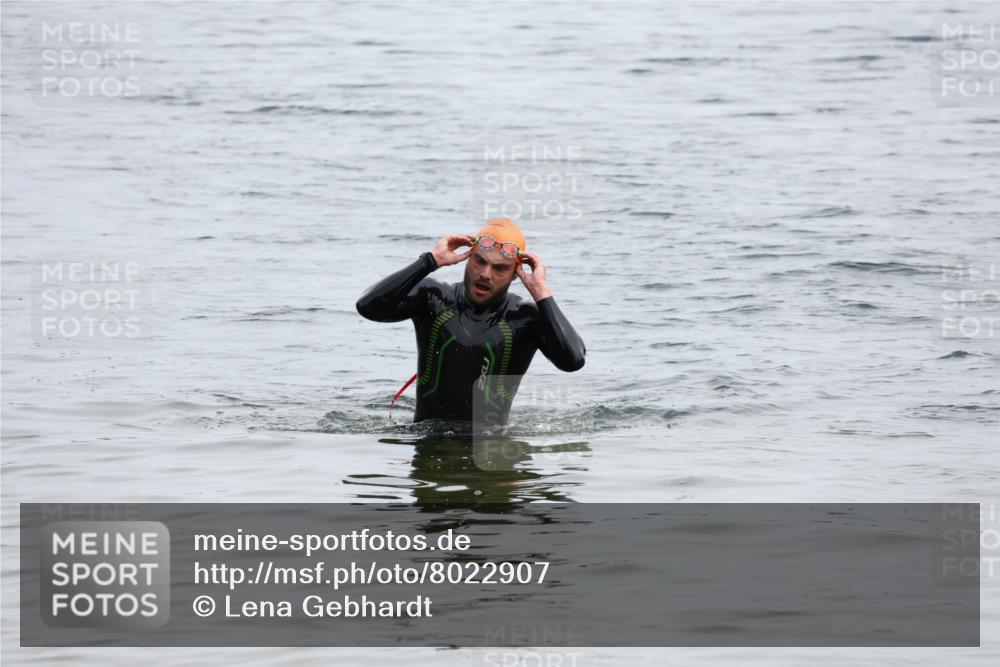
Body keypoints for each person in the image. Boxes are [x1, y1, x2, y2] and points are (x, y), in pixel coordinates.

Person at [356, 217, 585, 424]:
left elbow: (573, 361)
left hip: (491, 453)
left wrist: (542, 293)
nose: (485, 274)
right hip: (427, 444)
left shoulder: (525, 318)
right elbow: (368, 307)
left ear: (516, 274)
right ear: (467, 258)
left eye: (499, 268)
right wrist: (429, 261)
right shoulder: (433, 298)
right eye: (480, 261)